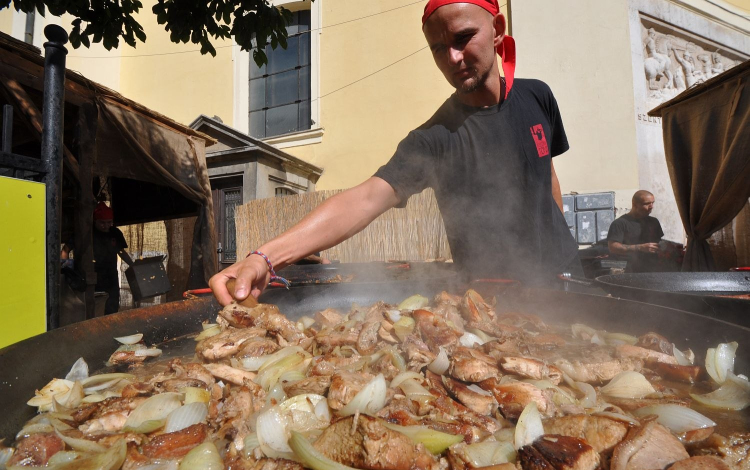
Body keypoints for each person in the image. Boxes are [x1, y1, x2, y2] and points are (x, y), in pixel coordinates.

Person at [210, 0, 580, 305]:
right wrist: (265, 256)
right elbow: (367, 196)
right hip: (494, 302)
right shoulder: (432, 140)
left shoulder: (538, 97)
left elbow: (547, 175)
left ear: (497, 30)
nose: (452, 57)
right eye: (438, 48)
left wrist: (558, 248)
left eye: (464, 37)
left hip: (566, 283)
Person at [62, 202, 133, 314]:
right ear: (95, 221)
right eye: (102, 223)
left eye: (109, 222)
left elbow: (120, 251)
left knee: (111, 307)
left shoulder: (115, 233)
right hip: (88, 277)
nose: (106, 226)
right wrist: (66, 268)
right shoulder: (85, 233)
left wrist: (133, 265)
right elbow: (65, 250)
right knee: (92, 308)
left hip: (110, 277)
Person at [607, 190, 664, 273]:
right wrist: (640, 247)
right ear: (635, 204)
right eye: (647, 203)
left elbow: (659, 242)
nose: (651, 206)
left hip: (651, 270)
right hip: (627, 271)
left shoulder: (654, 221)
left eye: (652, 203)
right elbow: (613, 247)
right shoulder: (620, 223)